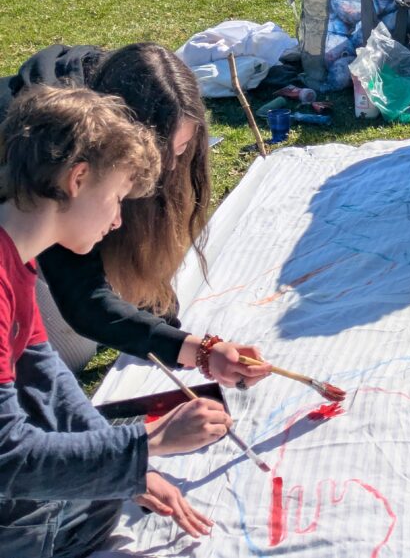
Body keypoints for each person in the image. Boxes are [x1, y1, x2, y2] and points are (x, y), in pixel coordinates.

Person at [0, 86, 233, 556]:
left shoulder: (17, 258)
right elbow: (9, 460)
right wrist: (147, 441)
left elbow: (47, 374)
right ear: (78, 179)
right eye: (117, 198)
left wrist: (129, 466)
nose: (118, 222)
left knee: (105, 491)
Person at [0, 43, 270, 389]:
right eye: (118, 197)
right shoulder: (54, 166)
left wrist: (193, 347)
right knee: (70, 350)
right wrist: (188, 352)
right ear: (79, 177)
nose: (169, 169)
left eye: (181, 150)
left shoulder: (109, 116)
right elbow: (82, 301)